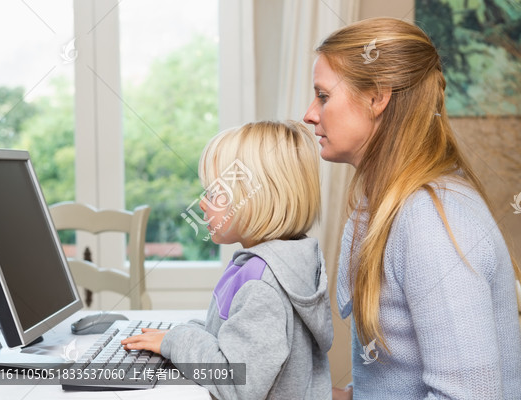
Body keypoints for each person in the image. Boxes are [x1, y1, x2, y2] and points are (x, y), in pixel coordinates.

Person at [303, 17, 521, 399]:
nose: (310, 114)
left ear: (376, 97)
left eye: (323, 96)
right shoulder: (390, 205)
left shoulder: (429, 220)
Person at [121, 120, 333, 399]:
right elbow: (227, 337)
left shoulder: (263, 284)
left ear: (254, 199)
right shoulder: (283, 262)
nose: (202, 203)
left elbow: (237, 382)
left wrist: (176, 341)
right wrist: (177, 335)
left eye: (213, 192)